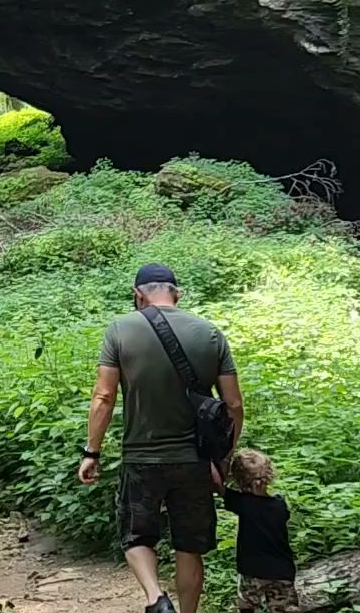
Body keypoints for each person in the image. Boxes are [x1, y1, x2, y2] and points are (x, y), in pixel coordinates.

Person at [78, 263, 243, 613]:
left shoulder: (120, 330)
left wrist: (92, 451)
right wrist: (223, 459)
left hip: (141, 459)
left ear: (138, 295)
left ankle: (156, 598)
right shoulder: (210, 334)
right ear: (176, 294)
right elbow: (234, 405)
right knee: (190, 547)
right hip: (195, 461)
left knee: (136, 537)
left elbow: (104, 397)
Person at [223, 449, 298, 613]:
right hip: (281, 571)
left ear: (238, 479)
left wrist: (221, 461)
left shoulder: (241, 503)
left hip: (250, 571)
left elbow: (216, 483)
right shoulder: (280, 505)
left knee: (247, 609)